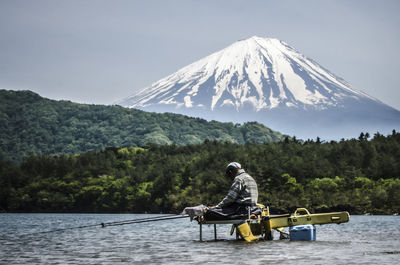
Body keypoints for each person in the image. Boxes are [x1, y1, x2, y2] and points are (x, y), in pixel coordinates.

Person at [204, 162, 260, 241]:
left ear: (231, 172)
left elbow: (230, 199)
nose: (229, 177)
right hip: (253, 208)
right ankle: (247, 216)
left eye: (228, 175)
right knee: (215, 210)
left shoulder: (239, 179)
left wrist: (217, 207)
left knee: (210, 212)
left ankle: (241, 217)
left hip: (241, 209)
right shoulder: (250, 177)